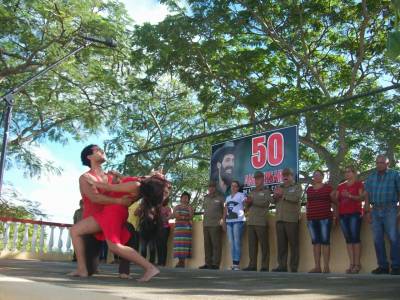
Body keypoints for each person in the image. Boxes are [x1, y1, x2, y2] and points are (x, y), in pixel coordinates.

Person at [69, 145, 168, 282]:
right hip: (95, 221)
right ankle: (84, 268)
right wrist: (119, 200)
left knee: (123, 238)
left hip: (110, 216)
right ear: (89, 157)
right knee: (81, 242)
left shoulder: (113, 177)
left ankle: (133, 270)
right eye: (97, 150)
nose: (102, 150)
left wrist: (151, 177)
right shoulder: (85, 177)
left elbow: (132, 186)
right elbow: (96, 198)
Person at [364, 154, 400, 275]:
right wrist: (367, 211)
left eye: (382, 163)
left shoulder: (395, 174)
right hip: (375, 210)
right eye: (377, 162)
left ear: (387, 164)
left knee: (394, 238)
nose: (379, 165)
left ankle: (396, 266)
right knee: (377, 239)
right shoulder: (371, 177)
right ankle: (383, 266)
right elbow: (367, 194)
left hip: (390, 209)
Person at [333, 166, 364, 274]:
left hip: (355, 214)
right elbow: (335, 200)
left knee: (355, 238)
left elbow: (361, 198)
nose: (346, 174)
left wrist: (349, 195)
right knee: (348, 240)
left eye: (349, 171)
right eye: (345, 172)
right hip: (343, 215)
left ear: (354, 173)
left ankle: (357, 264)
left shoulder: (359, 184)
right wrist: (333, 197)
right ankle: (351, 264)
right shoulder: (340, 186)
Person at [272, 167, 302, 273]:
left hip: (291, 220)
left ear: (292, 176)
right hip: (279, 219)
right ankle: (282, 266)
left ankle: (293, 267)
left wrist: (282, 195)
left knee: (294, 244)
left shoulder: (297, 187)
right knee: (281, 245)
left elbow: (296, 198)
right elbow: (274, 201)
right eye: (283, 175)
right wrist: (275, 196)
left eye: (287, 175)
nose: (285, 177)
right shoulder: (279, 187)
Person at [305, 170, 335, 273]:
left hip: (325, 218)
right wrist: (307, 217)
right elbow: (308, 203)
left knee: (325, 242)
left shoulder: (328, 188)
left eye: (318, 175)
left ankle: (326, 267)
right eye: (315, 175)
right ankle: (317, 267)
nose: (316, 177)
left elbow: (334, 202)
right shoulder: (309, 189)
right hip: (312, 218)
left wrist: (335, 215)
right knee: (315, 243)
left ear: (323, 176)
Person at [243, 171, 271, 272]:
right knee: (252, 245)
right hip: (251, 221)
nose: (256, 180)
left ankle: (264, 266)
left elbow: (266, 203)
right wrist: (247, 203)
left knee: (264, 245)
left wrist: (252, 201)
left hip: (261, 221)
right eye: (255, 178)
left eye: (258, 178)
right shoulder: (251, 191)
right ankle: (252, 265)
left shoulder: (266, 191)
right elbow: (247, 207)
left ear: (263, 179)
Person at [199, 181, 225, 270]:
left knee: (216, 245)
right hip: (206, 224)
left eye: (212, 187)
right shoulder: (205, 198)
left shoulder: (221, 198)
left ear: (215, 188)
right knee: (207, 245)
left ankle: (215, 264)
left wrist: (223, 221)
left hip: (216, 224)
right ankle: (207, 263)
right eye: (209, 187)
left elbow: (225, 210)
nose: (211, 188)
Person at [224, 180, 246, 271]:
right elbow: (225, 209)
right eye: (232, 186)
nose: (233, 187)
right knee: (231, 242)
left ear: (238, 187)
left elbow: (246, 204)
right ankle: (233, 263)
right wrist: (223, 219)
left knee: (237, 242)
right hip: (229, 221)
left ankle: (237, 264)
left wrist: (246, 214)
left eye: (235, 186)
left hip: (238, 221)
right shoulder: (228, 197)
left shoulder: (241, 195)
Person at [173, 191, 194, 268]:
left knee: (185, 245)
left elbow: (191, 216)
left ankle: (182, 262)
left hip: (186, 229)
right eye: (183, 197)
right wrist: (185, 217)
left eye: (187, 198)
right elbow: (176, 216)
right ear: (181, 198)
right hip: (178, 229)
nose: (185, 199)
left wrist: (182, 217)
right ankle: (180, 262)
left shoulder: (190, 207)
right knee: (178, 245)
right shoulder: (177, 207)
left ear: (188, 199)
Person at [157, 191, 173, 266]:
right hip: (157, 228)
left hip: (165, 228)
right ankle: (159, 261)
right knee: (158, 244)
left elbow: (170, 216)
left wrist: (164, 219)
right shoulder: (157, 207)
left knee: (163, 244)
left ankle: (163, 262)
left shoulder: (168, 208)